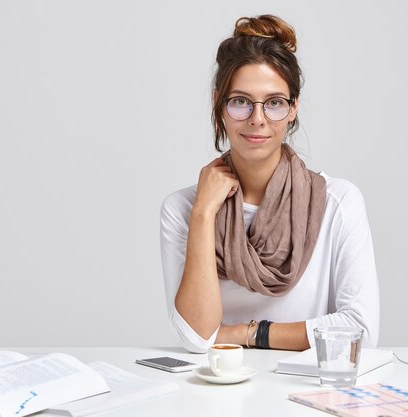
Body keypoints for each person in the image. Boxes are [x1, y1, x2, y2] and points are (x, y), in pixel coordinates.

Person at [160, 15, 379, 353]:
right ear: (220, 106)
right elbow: (197, 337)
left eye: (275, 103)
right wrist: (204, 213)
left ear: (293, 109)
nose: (257, 119)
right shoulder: (184, 209)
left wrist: (246, 333)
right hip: (217, 393)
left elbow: (360, 333)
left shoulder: (338, 201)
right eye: (240, 101)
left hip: (303, 390)